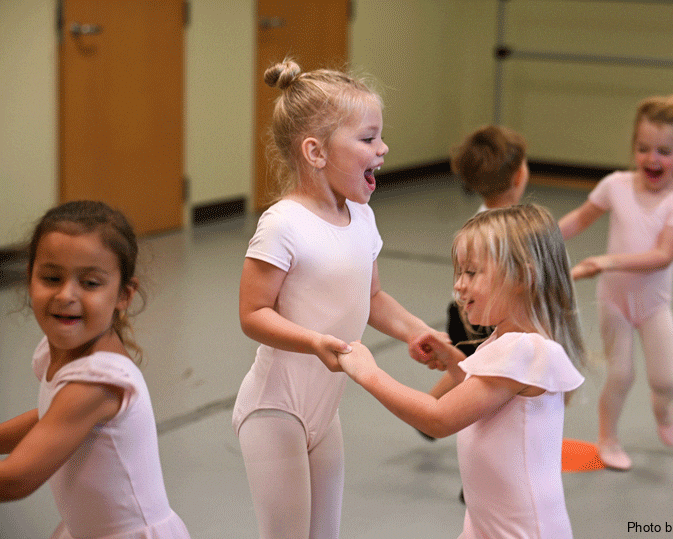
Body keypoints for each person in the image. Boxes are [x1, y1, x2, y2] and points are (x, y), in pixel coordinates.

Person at [233, 59, 447, 539]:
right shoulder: (283, 223)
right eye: (368, 138)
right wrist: (314, 341)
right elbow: (253, 314)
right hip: (275, 409)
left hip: (323, 413)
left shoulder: (362, 218)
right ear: (315, 152)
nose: (383, 148)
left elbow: (370, 297)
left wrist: (417, 330)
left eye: (380, 137)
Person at [338, 204, 586, 539]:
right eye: (459, 273)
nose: (459, 285)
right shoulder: (507, 341)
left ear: (523, 278)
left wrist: (368, 373)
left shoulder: (523, 350)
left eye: (471, 273)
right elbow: (488, 400)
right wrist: (456, 361)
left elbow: (439, 419)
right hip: (487, 524)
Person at [0, 201, 190, 539]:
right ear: (29, 278)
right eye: (51, 277)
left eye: (90, 283)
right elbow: (51, 415)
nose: (66, 294)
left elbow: (15, 480)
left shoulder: (95, 382)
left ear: (123, 295)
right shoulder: (65, 353)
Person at [558, 94, 673, 471]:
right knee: (620, 376)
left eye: (664, 151)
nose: (652, 159)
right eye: (643, 148)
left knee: (665, 380)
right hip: (614, 302)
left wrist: (606, 261)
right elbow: (580, 219)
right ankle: (608, 439)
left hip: (654, 306)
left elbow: (663, 255)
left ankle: (664, 411)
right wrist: (542, 237)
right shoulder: (616, 185)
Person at [425, 124, 530, 416]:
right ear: (520, 174)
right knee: (475, 371)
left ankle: (432, 410)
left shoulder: (480, 223)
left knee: (467, 365)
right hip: (484, 316)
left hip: (461, 309)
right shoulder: (507, 229)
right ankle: (432, 411)